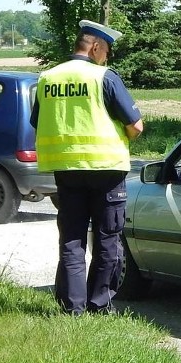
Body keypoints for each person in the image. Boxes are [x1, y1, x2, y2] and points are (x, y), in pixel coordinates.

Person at [31, 19, 144, 315]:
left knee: (71, 238)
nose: (106, 57)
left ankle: (73, 308)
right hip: (106, 169)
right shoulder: (103, 77)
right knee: (107, 238)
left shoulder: (48, 78)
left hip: (66, 170)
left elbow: (37, 121)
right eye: (105, 51)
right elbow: (136, 126)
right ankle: (99, 304)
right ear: (95, 47)